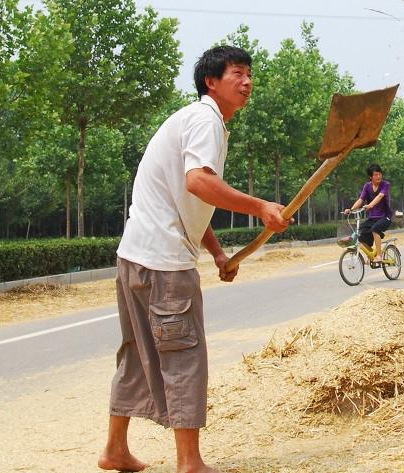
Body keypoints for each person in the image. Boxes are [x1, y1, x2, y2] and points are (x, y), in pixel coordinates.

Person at [99, 45, 289, 473]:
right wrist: (260, 206)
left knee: (136, 352)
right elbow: (199, 183)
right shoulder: (207, 121)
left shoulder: (192, 120)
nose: (247, 82)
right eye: (237, 74)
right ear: (211, 82)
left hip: (134, 256)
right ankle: (190, 462)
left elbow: (186, 199)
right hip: (164, 263)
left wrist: (219, 253)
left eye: (249, 74)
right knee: (183, 355)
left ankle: (115, 450)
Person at [346, 163, 392, 265]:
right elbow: (361, 199)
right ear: (370, 177)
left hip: (385, 217)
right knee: (360, 237)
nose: (378, 176)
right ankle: (372, 255)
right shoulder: (367, 186)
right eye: (375, 175)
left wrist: (370, 205)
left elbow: (380, 196)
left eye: (380, 174)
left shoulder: (385, 184)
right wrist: (351, 209)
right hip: (372, 218)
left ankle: (379, 256)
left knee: (375, 229)